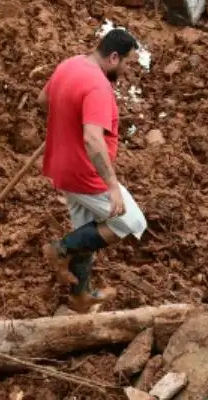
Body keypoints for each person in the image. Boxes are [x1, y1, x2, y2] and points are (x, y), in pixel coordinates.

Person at [42, 27, 146, 312]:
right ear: (113, 57)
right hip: (84, 174)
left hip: (61, 167)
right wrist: (112, 186)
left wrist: (65, 122)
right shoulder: (98, 87)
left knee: (85, 230)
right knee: (130, 222)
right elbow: (92, 138)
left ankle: (80, 296)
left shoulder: (70, 64)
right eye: (126, 63)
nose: (126, 71)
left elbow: (44, 100)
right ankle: (59, 249)